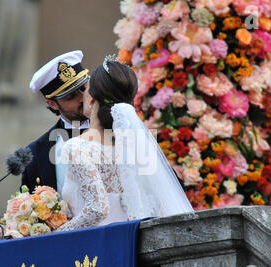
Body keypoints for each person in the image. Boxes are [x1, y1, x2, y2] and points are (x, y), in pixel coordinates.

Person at [56, 56, 194, 232]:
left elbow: (98, 209)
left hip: (92, 249)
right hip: (129, 243)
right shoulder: (136, 148)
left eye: (86, 89)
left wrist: (57, 234)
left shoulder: (78, 146)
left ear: (92, 98)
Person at [22, 50, 90, 195]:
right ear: (52, 104)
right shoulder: (35, 154)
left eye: (84, 88)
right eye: (71, 96)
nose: (82, 98)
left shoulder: (117, 130)